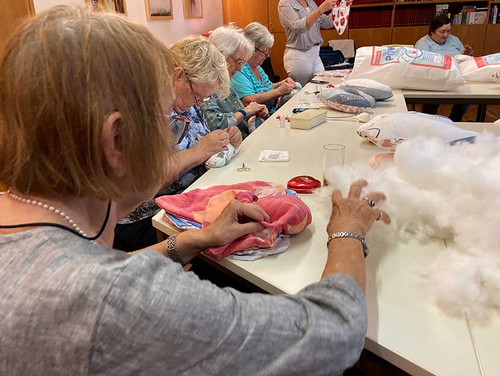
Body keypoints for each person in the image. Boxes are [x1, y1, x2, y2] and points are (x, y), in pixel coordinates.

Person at [0, 5, 391, 375]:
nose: (178, 130)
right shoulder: (109, 300)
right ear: (118, 141)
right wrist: (347, 230)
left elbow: (105, 275)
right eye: (167, 124)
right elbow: (334, 333)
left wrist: (194, 239)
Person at [114, 35, 243, 251]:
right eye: (197, 96)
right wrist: (201, 151)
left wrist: (226, 138)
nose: (199, 103)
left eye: (204, 99)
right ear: (179, 75)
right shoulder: (148, 110)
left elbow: (203, 139)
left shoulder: (186, 102)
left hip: (191, 195)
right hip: (147, 215)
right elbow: (148, 180)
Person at [204, 26, 270, 138]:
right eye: (238, 62)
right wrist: (246, 112)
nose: (240, 68)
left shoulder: (224, 82)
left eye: (242, 63)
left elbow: (237, 113)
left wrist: (254, 112)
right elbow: (216, 124)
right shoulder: (205, 86)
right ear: (221, 56)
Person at [414, 15, 473, 121]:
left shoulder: (454, 40)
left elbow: (465, 59)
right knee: (432, 102)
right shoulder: (423, 44)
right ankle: (430, 122)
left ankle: (454, 120)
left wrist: (466, 55)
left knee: (466, 96)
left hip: (457, 78)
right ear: (432, 31)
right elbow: (421, 67)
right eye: (442, 32)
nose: (446, 35)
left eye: (448, 31)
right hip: (435, 82)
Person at [231, 22, 297, 115]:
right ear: (252, 49)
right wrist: (278, 91)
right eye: (265, 51)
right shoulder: (239, 69)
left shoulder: (257, 66)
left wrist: (280, 84)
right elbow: (248, 100)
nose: (267, 55)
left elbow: (266, 87)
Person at [278, 0, 337, 86]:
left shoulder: (310, 2)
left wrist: (342, 10)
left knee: (321, 86)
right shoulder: (285, 3)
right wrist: (320, 10)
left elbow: (324, 23)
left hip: (316, 54)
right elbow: (298, 27)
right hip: (299, 54)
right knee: (302, 93)